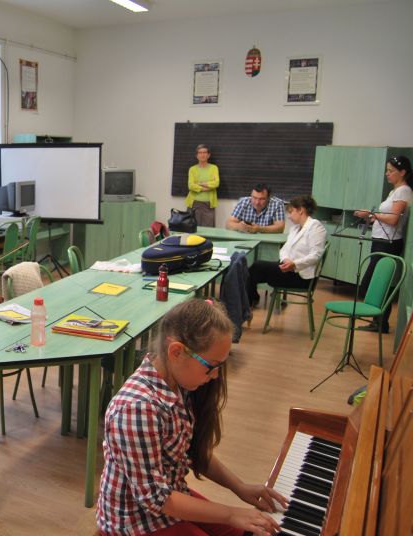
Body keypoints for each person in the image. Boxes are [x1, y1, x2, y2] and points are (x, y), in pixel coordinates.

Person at [97, 299, 287, 536]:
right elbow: (156, 499)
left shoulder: (179, 382)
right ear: (176, 352)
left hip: (169, 501)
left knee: (247, 531)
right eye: (212, 366)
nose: (216, 375)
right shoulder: (136, 409)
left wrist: (240, 487)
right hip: (135, 523)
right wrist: (231, 513)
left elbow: (191, 451)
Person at [353, 155, 413, 333]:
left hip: (388, 243)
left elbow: (393, 220)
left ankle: (380, 321)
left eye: (391, 171)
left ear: (402, 172)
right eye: (387, 170)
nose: (387, 174)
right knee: (377, 283)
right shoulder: (394, 191)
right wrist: (372, 217)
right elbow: (386, 217)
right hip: (380, 240)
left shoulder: (403, 191)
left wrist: (372, 214)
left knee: (372, 284)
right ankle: (379, 322)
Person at [247, 196, 326, 306]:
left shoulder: (316, 227)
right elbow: (284, 250)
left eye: (291, 212)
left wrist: (294, 264)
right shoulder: (295, 228)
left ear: (301, 210)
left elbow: (316, 255)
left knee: (257, 267)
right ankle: (250, 300)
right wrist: (285, 260)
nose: (289, 216)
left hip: (302, 277)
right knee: (253, 271)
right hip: (288, 269)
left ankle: (249, 301)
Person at [185, 144, 219, 227]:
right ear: (197, 156)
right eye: (200, 153)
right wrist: (207, 187)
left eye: (204, 152)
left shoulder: (214, 168)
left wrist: (200, 184)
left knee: (208, 230)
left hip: (209, 204)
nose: (202, 155)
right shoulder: (192, 169)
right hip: (194, 203)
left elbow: (216, 183)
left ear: (208, 155)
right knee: (192, 229)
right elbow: (191, 186)